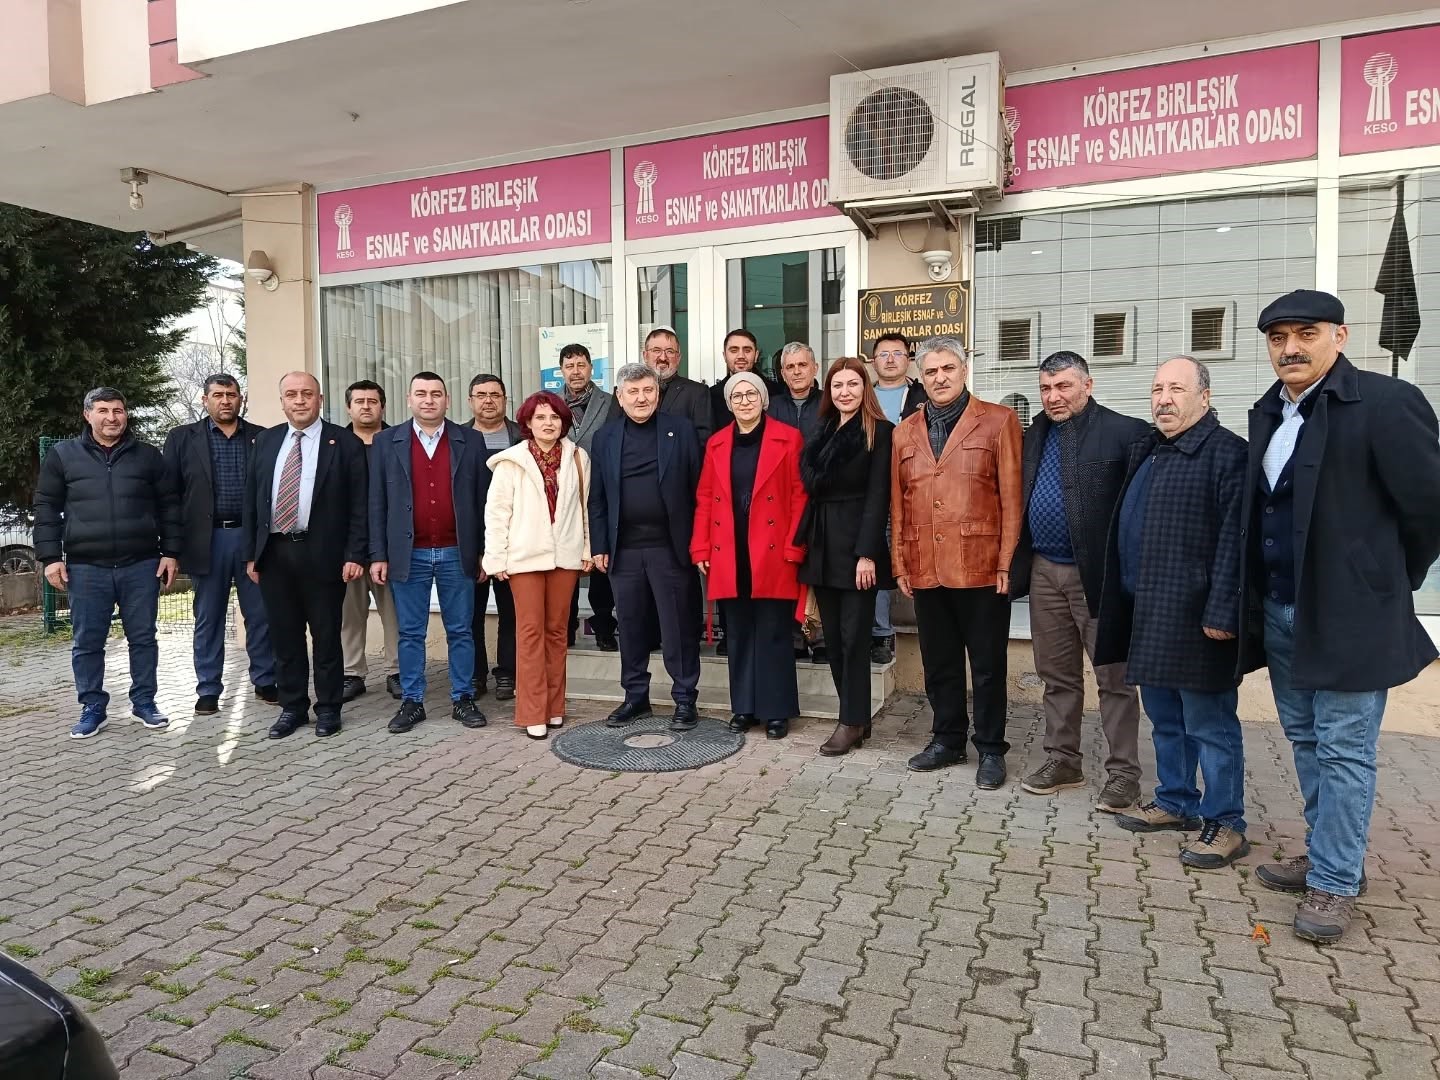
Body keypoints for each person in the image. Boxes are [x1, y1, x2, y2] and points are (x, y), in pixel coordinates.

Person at [1242, 290, 1440, 942]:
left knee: (1345, 750)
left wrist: (1383, 580)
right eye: (1278, 338)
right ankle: (1330, 853)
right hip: (1283, 612)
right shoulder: (1269, 411)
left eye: (1306, 333)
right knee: (1305, 741)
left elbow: (1428, 510)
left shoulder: (1386, 402)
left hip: (1351, 615)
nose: (1291, 348)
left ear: (1340, 336)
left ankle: (1334, 880)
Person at [1095, 356, 1254, 870]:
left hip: (1199, 619)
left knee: (1211, 725)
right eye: (1157, 389)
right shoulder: (1152, 449)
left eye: (1176, 389)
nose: (1163, 399)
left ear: (1204, 397)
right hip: (1150, 613)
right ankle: (1176, 800)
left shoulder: (1227, 453)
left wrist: (1223, 611)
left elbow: (1235, 542)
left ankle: (1226, 823)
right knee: (1165, 718)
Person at [1010, 352, 1147, 812]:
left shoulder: (1125, 433)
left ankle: (1124, 773)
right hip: (1045, 571)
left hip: (1100, 577)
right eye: (1046, 388)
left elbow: (1140, 511)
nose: (1053, 397)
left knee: (1115, 678)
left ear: (1088, 385)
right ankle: (1063, 759)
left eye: (1063, 386)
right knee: (1057, 675)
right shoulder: (1035, 434)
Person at [892, 336, 1021, 789]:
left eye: (948, 368)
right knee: (939, 662)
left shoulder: (999, 421)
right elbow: (898, 503)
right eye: (931, 371)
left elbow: (1012, 498)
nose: (940, 378)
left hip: (981, 564)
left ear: (964, 371)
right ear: (920, 377)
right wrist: (900, 563)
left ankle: (991, 748)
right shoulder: (904, 431)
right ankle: (947, 740)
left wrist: (1007, 562)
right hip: (926, 563)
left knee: (987, 666)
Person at [35, 387, 181, 739]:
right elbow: (46, 507)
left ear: (125, 414)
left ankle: (144, 702)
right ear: (88, 415)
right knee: (87, 642)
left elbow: (170, 506)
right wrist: (51, 558)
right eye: (103, 411)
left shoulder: (148, 456)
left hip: (141, 564)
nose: (112, 418)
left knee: (143, 638)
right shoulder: (63, 455)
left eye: (118, 411)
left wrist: (171, 552)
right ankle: (93, 707)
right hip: (87, 568)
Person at [244, 372, 368, 739]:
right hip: (275, 554)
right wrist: (251, 555)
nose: (299, 400)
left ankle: (328, 708)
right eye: (292, 394)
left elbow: (359, 505)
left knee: (326, 636)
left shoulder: (344, 442)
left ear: (320, 399)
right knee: (285, 636)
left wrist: (355, 553)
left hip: (323, 554)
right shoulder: (265, 441)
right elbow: (252, 501)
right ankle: (292, 707)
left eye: (307, 394)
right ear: (282, 401)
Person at [369, 371, 489, 734]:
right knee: (410, 632)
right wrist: (378, 554)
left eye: (436, 394)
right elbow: (376, 502)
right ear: (409, 400)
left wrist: (484, 552)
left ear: (447, 400)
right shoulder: (386, 441)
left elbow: (483, 501)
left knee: (461, 630)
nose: (429, 400)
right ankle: (412, 701)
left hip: (457, 551)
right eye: (421, 393)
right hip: (408, 553)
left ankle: (463, 698)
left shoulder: (471, 440)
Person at [588, 362, 703, 731]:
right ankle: (635, 697)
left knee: (677, 627)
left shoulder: (680, 430)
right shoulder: (605, 437)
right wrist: (599, 544)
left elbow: (699, 489)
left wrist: (698, 543)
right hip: (624, 550)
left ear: (658, 393)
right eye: (633, 392)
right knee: (631, 626)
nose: (641, 398)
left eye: (648, 390)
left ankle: (684, 699)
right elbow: (597, 497)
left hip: (670, 548)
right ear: (619, 397)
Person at [692, 373, 807, 740]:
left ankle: (776, 711)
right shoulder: (716, 443)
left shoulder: (789, 438)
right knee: (739, 632)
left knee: (774, 633)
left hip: (772, 549)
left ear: (763, 399)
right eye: (737, 396)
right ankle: (743, 707)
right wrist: (700, 546)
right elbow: (705, 498)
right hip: (730, 549)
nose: (744, 401)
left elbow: (799, 496)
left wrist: (794, 546)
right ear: (729, 404)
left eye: (751, 394)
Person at [161, 373, 275, 715]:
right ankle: (208, 688)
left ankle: (266, 680)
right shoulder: (182, 438)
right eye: (218, 395)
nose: (225, 400)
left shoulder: (261, 437)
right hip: (206, 540)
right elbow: (169, 496)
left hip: (251, 539)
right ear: (205, 400)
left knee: (260, 615)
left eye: (231, 394)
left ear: (241, 398)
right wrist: (171, 548)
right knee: (208, 618)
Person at [797, 358, 894, 755]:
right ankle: (856, 717)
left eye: (853, 384)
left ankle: (850, 722)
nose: (845, 392)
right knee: (834, 640)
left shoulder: (880, 431)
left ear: (864, 389)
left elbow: (879, 496)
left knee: (855, 639)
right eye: (837, 385)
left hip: (857, 547)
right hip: (823, 544)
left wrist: (867, 553)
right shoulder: (822, 429)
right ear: (829, 391)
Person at [485, 391, 592, 739]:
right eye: (541, 417)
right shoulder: (511, 462)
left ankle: (554, 707)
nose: (549, 423)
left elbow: (585, 508)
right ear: (528, 423)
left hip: (565, 557)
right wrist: (496, 557)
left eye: (555, 417)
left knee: (558, 632)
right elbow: (497, 514)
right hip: (524, 557)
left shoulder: (578, 458)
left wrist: (587, 548)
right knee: (530, 632)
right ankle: (532, 711)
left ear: (564, 422)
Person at [340, 380, 400, 702]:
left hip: (389, 547)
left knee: (395, 614)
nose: (366, 406)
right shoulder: (335, 444)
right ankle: (352, 673)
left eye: (372, 401)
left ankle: (397, 671)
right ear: (348, 407)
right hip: (348, 547)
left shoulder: (397, 441)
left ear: (383, 407)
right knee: (349, 615)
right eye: (359, 401)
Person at [868, 332, 925, 665]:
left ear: (909, 359)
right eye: (883, 354)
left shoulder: (922, 396)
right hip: (870, 491)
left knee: (906, 559)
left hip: (910, 491)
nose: (890, 359)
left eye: (897, 353)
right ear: (873, 361)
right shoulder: (862, 395)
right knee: (872, 558)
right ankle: (878, 632)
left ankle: (890, 631)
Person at [768, 341, 826, 661]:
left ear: (815, 368)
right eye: (790, 367)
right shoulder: (772, 406)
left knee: (820, 567)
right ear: (782, 373)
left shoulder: (830, 403)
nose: (797, 372)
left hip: (822, 500)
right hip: (782, 503)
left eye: (802, 365)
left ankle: (821, 637)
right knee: (788, 568)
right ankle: (795, 636)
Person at [560, 344, 618, 652]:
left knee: (600, 563)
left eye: (581, 365)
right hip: (564, 496)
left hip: (601, 492)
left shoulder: (610, 403)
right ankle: (566, 627)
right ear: (562, 370)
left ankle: (604, 627)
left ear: (591, 368)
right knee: (568, 563)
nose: (576, 372)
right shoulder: (550, 405)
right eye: (570, 366)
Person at [469, 373, 523, 700]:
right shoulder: (458, 438)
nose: (488, 401)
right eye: (481, 395)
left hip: (514, 540)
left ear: (505, 399)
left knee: (512, 613)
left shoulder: (522, 436)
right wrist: (476, 548)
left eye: (495, 395)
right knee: (470, 615)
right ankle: (475, 676)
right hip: (471, 541)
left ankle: (508, 673)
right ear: (470, 401)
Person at [647, 327, 712, 445]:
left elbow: (703, 440)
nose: (663, 358)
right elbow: (614, 435)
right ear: (645, 355)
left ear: (678, 358)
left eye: (670, 351)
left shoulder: (697, 392)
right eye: (656, 350)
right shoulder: (627, 391)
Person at [709, 329, 782, 434]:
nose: (741, 356)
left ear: (756, 355)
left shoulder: (776, 391)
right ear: (724, 356)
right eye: (734, 351)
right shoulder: (711, 396)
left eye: (747, 350)